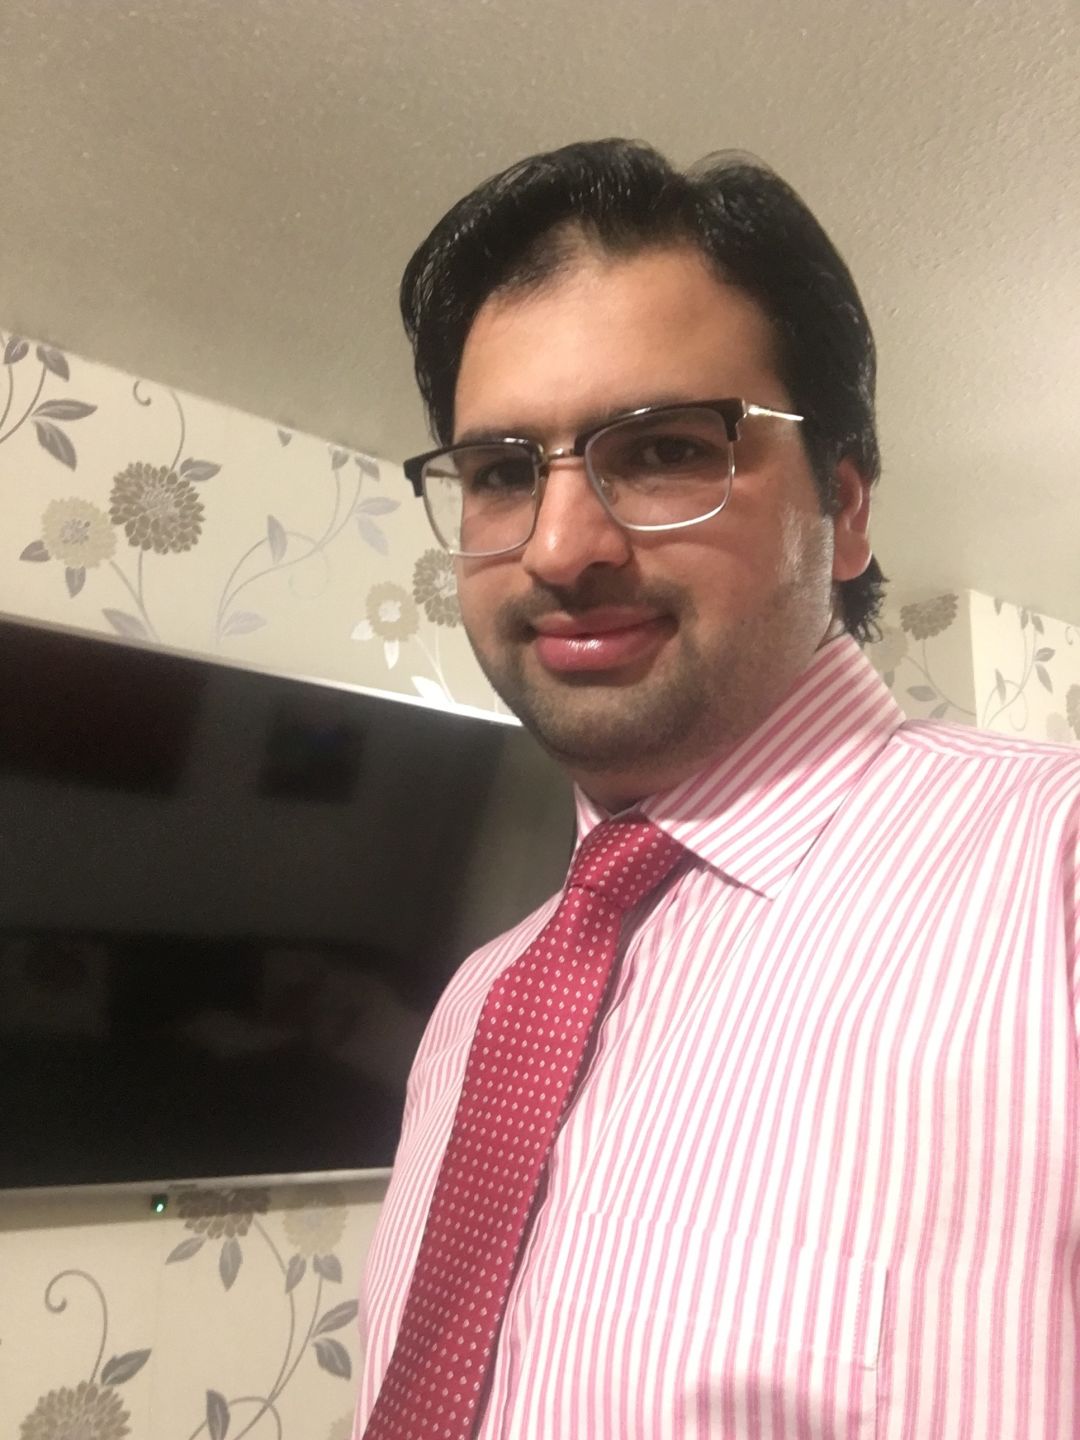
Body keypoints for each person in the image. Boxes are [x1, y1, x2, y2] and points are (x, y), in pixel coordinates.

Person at [355, 139, 1080, 1439]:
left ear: (843, 511)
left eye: (664, 450)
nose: (561, 547)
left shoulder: (1055, 875)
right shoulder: (478, 1005)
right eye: (502, 473)